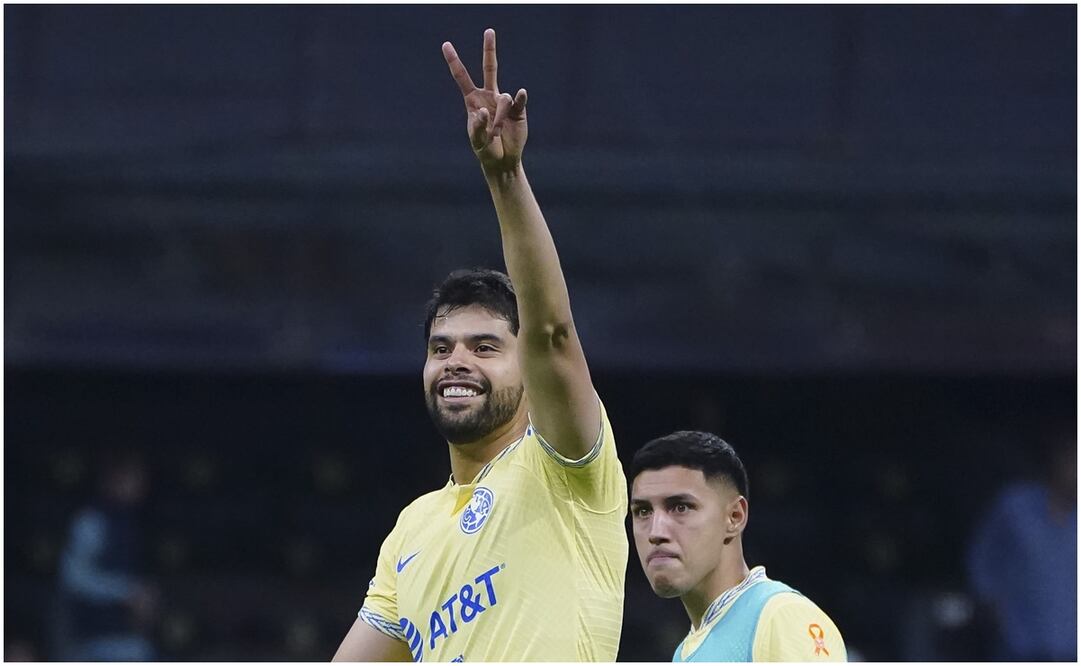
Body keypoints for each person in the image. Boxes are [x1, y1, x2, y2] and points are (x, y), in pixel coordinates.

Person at [332, 28, 628, 662]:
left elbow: (551, 331)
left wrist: (505, 175)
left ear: (528, 368)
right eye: (441, 348)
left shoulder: (565, 465)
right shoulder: (412, 529)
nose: (456, 362)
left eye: (485, 346)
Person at [628, 431, 846, 662]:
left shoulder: (782, 616)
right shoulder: (682, 654)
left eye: (680, 507)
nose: (656, 532)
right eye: (643, 511)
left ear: (734, 517)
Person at [966, 423, 1077, 661]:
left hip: (1071, 648)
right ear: (1060, 461)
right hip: (1019, 644)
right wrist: (989, 601)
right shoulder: (1015, 508)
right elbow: (982, 556)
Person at [54, 451, 158, 661]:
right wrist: (127, 591)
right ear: (113, 479)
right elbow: (72, 577)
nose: (139, 486)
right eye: (132, 478)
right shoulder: (91, 520)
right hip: (94, 640)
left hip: (126, 637)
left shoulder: (131, 522)